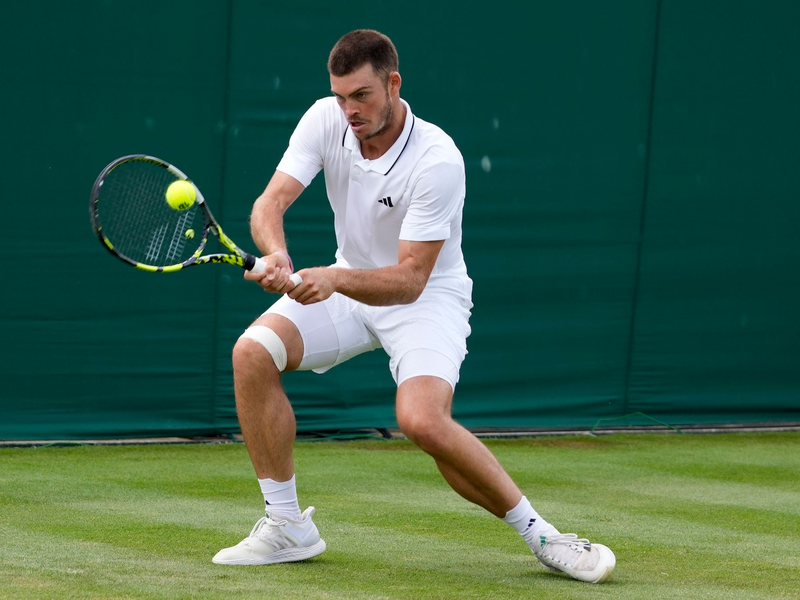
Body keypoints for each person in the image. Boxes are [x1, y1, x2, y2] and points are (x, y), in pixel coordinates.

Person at [211, 29, 615, 583]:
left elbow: (408, 281)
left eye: (362, 96)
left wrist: (331, 278)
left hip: (426, 298)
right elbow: (269, 203)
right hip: (348, 287)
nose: (349, 110)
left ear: (393, 84)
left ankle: (543, 534)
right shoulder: (325, 120)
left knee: (421, 420)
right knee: (251, 353)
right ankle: (287, 528)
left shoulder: (438, 160)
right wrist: (276, 252)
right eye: (340, 97)